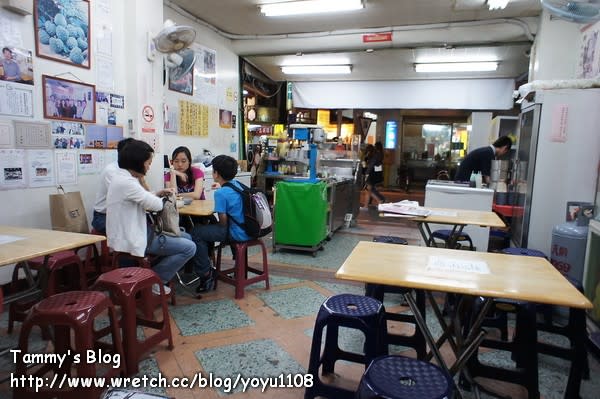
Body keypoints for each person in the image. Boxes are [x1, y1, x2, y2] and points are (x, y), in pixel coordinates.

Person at [106, 139, 196, 295]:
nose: (148, 167)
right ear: (138, 162)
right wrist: (160, 197)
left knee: (186, 237)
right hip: (134, 238)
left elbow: (142, 197)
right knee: (190, 247)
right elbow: (156, 205)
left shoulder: (121, 178)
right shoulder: (128, 182)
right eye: (148, 163)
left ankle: (152, 275)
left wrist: (157, 193)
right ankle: (156, 280)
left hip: (135, 233)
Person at [189, 155, 250, 292]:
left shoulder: (221, 193)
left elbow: (223, 222)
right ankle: (238, 268)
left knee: (196, 232)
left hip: (236, 233)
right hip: (249, 230)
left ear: (216, 173)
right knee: (207, 228)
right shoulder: (237, 185)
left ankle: (205, 274)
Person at [91, 138, 135, 234]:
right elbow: (125, 198)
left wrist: (142, 179)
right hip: (103, 218)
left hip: (122, 215)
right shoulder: (112, 171)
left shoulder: (130, 169)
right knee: (135, 233)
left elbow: (139, 194)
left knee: (149, 227)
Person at [364, 142, 385, 206]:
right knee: (370, 189)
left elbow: (371, 165)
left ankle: (379, 200)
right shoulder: (380, 154)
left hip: (372, 174)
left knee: (368, 189)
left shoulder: (375, 155)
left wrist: (366, 173)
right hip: (376, 173)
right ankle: (367, 204)